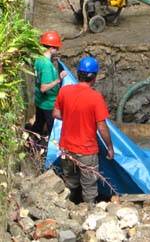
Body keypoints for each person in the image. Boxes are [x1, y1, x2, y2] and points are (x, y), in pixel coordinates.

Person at [53, 56, 114, 204]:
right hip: (86, 151)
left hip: (66, 149)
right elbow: (101, 126)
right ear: (94, 78)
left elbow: (55, 113)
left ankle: (67, 209)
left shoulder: (65, 91)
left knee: (70, 183)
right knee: (89, 189)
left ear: (78, 73)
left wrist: (70, 117)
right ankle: (88, 216)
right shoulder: (96, 98)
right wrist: (110, 147)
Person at [32, 31, 67, 137]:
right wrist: (58, 80)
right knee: (53, 131)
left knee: (38, 125)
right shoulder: (47, 65)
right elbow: (43, 88)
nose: (58, 50)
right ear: (51, 48)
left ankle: (31, 145)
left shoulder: (39, 59)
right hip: (48, 104)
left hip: (40, 101)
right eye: (57, 48)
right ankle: (51, 151)